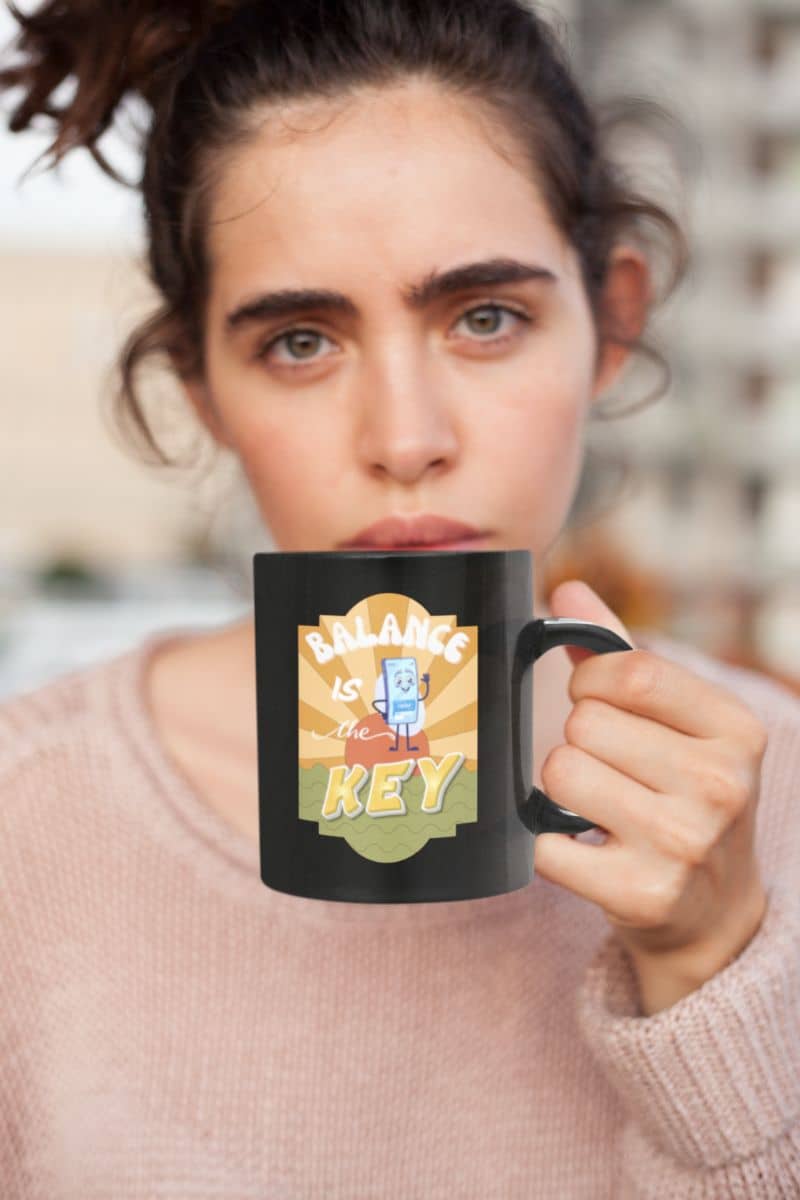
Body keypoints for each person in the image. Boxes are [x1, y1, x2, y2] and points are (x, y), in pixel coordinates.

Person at [1, 2, 798, 1196]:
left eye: (485, 318)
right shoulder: (26, 826)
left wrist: (707, 966)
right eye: (299, 342)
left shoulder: (774, 794)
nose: (406, 439)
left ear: (610, 325)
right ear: (203, 391)